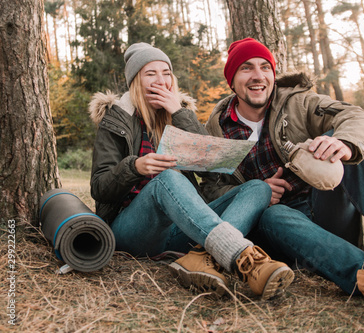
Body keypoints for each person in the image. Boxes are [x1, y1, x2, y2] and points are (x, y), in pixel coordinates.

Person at [199, 38, 364, 324]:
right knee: (273, 215)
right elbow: (212, 187)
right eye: (246, 68)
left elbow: (355, 116)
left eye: (265, 67)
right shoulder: (217, 127)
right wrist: (255, 192)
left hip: (327, 208)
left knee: (338, 147)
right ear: (232, 80)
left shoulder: (298, 102)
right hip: (280, 233)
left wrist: (345, 142)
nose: (258, 76)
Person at [89, 42, 294, 300]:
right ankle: (243, 258)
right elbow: (100, 189)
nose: (161, 81)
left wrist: (178, 112)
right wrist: (134, 167)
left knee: (259, 188)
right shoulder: (115, 122)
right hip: (131, 230)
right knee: (168, 178)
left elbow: (214, 172)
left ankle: (201, 259)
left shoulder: (180, 115)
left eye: (166, 73)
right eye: (150, 74)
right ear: (135, 82)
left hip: (181, 229)